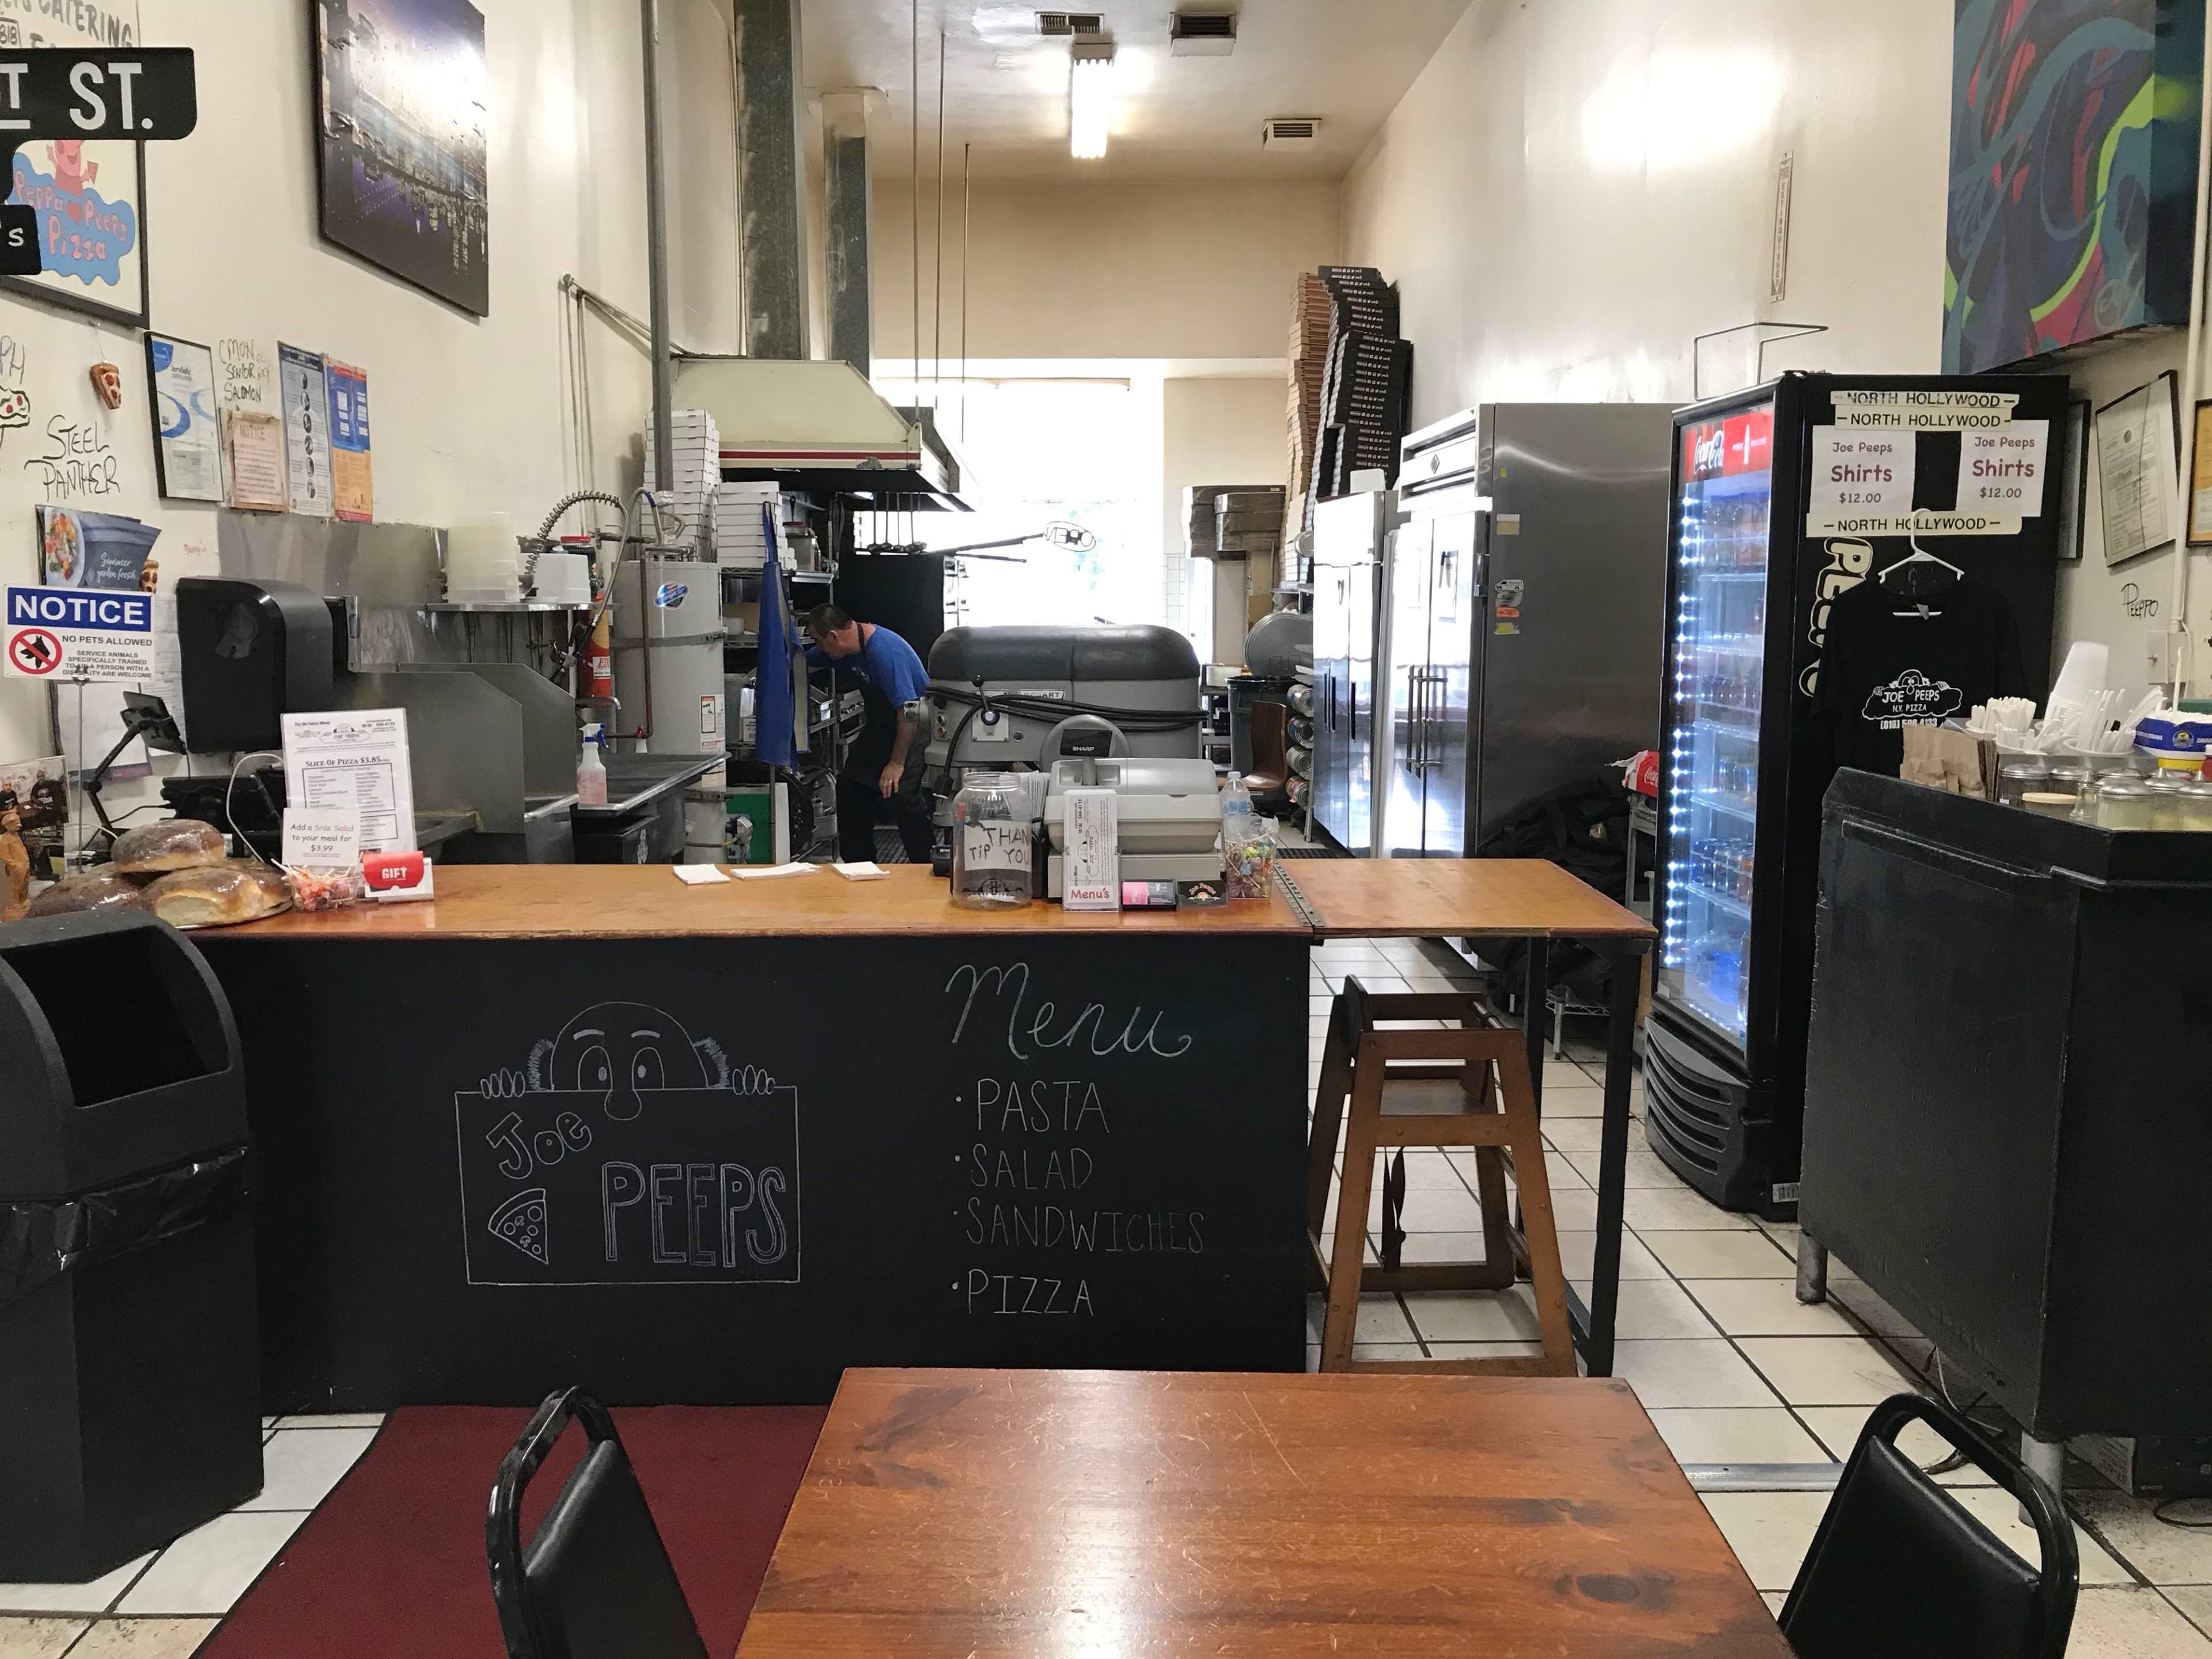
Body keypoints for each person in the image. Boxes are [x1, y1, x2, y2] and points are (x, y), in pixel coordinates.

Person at [803, 603, 934, 863]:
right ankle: (859, 865)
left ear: (833, 637)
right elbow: (802, 661)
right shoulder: (842, 649)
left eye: (818, 641)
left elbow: (908, 710)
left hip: (914, 722)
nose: (819, 648)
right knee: (852, 788)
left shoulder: (885, 652)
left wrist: (896, 763)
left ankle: (928, 866)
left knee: (901, 793)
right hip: (882, 722)